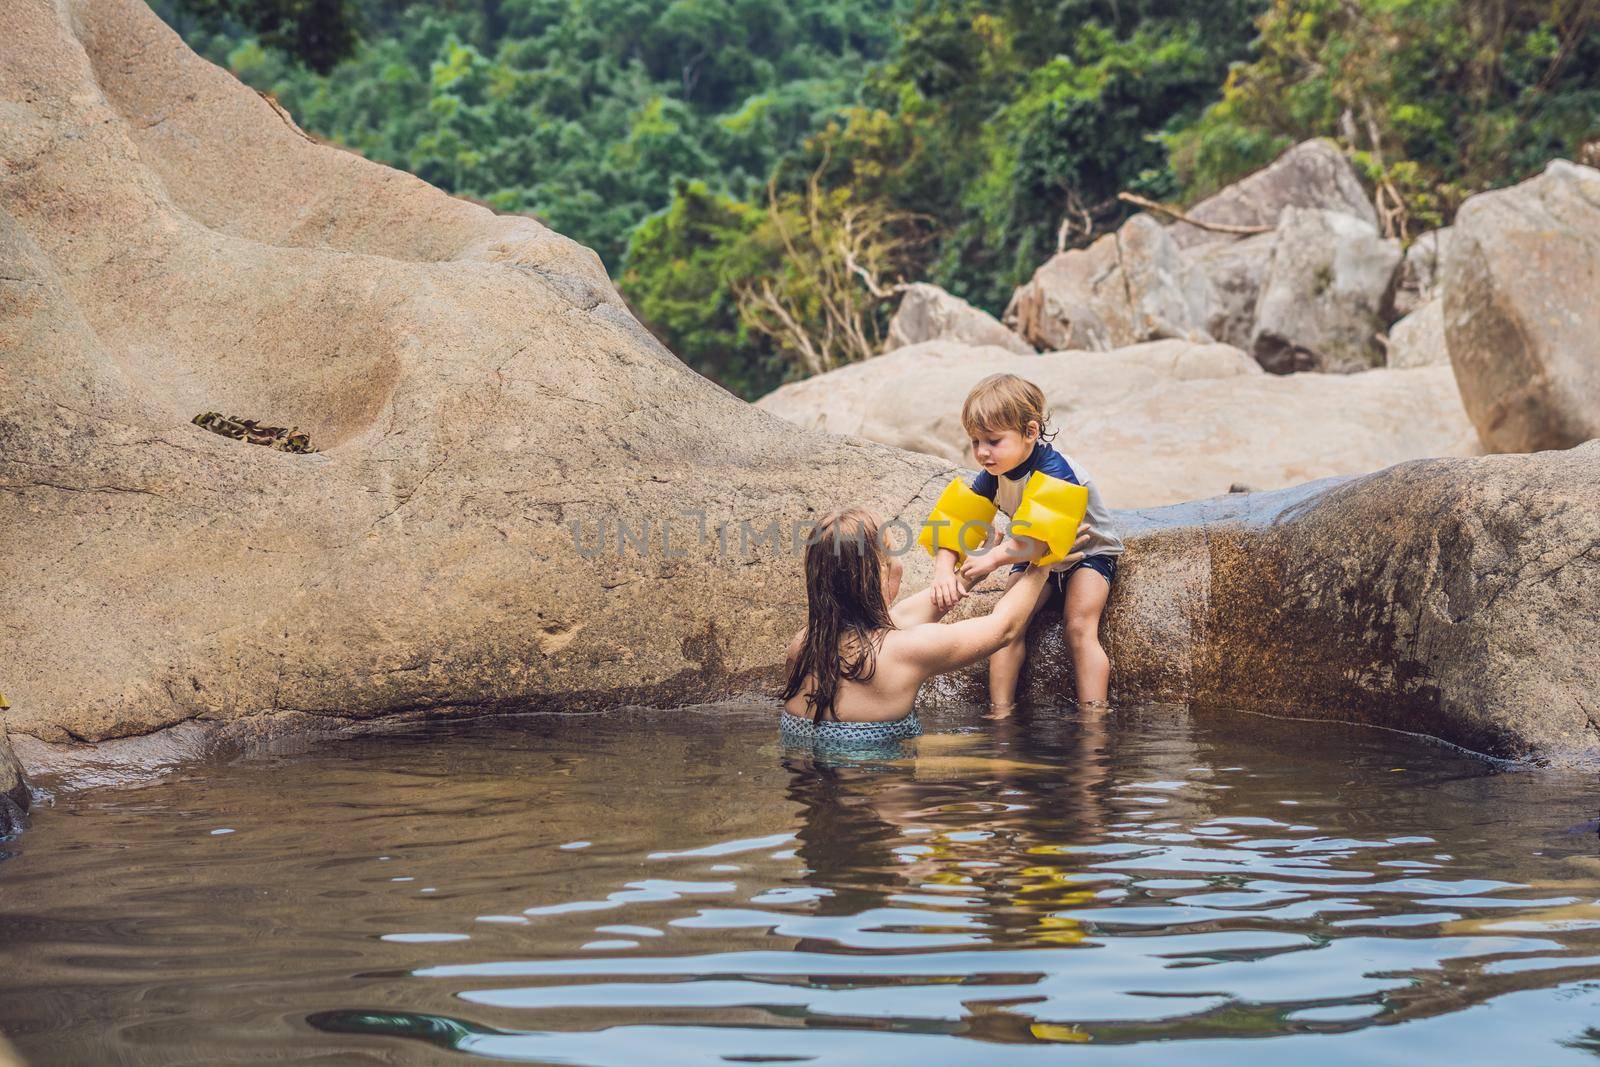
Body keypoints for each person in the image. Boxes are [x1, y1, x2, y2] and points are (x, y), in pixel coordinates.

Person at [780, 507, 1052, 747]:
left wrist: (970, 573)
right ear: (880, 573)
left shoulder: (804, 643)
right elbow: (1004, 628)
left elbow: (901, 617)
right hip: (884, 798)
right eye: (893, 552)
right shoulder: (906, 650)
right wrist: (1045, 558)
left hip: (815, 789)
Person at [931, 373, 1123, 711]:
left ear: (1030, 433)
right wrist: (943, 571)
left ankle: (1094, 717)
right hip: (1033, 557)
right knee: (1006, 625)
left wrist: (991, 559)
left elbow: (1042, 542)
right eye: (975, 442)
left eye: (992, 441)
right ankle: (1001, 713)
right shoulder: (992, 475)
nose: (982, 453)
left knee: (1079, 626)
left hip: (1084, 554)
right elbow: (954, 525)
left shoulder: (1055, 470)